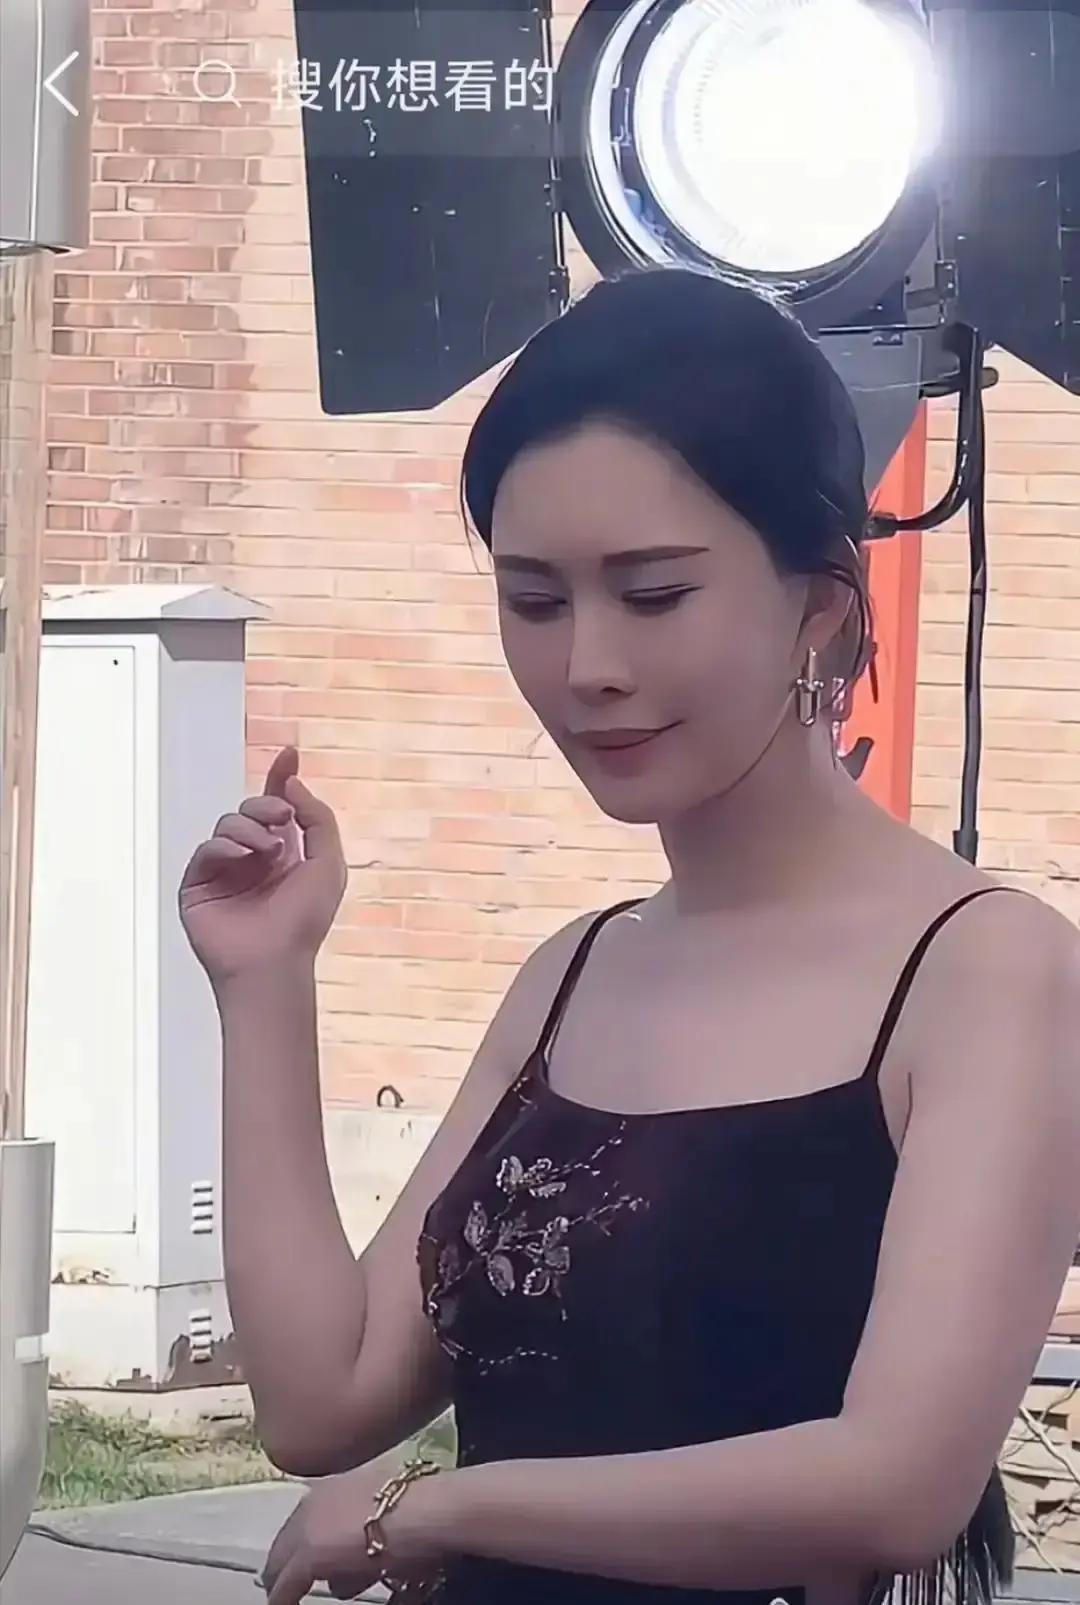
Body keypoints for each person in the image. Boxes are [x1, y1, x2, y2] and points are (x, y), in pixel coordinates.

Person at [179, 268, 1080, 1605]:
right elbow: (321, 1400)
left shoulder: (990, 974)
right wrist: (264, 986)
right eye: (535, 601)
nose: (586, 664)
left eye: (653, 595)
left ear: (822, 607)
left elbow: (895, 1485)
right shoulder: (576, 972)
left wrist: (442, 1508)